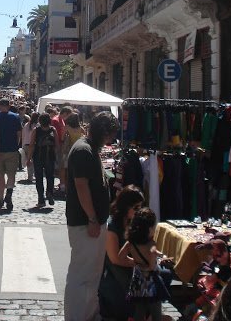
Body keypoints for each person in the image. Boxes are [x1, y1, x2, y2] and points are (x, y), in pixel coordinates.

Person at [64, 110, 119, 321]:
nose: (110, 140)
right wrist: (92, 219)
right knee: (81, 275)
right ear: (101, 132)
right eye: (109, 136)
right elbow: (81, 186)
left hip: (92, 222)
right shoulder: (83, 150)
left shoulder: (90, 149)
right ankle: (77, 316)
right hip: (85, 223)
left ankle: (89, 314)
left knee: (92, 274)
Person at [98, 184, 145, 320]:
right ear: (126, 206)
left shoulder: (133, 222)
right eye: (136, 208)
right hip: (115, 271)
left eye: (140, 207)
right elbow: (115, 259)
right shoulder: (112, 226)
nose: (139, 211)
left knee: (161, 274)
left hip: (129, 266)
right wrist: (139, 263)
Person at [118, 207, 169, 321]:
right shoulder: (151, 244)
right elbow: (151, 265)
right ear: (150, 229)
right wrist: (157, 259)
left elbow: (121, 256)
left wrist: (136, 263)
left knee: (139, 311)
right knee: (156, 312)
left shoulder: (130, 242)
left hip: (137, 282)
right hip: (151, 284)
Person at [0, 97, 22, 210]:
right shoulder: (16, 117)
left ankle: (0, 198)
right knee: (11, 174)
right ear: (9, 106)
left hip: (0, 150)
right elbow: (19, 133)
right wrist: (16, 145)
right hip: (12, 150)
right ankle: (9, 193)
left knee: (0, 175)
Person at [27, 112, 59, 207]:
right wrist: (57, 156)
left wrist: (28, 158)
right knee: (50, 176)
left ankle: (41, 199)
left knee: (39, 178)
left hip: (38, 156)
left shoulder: (36, 130)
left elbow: (32, 145)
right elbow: (57, 145)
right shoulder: (53, 130)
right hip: (50, 156)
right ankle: (49, 193)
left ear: (39, 121)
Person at [52, 106, 73, 194]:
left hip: (61, 146)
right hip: (58, 146)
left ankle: (62, 183)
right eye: (69, 115)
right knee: (60, 167)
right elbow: (56, 135)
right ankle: (62, 185)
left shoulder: (61, 120)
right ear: (65, 113)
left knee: (62, 167)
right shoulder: (56, 120)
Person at [21, 111, 39, 182]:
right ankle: (33, 176)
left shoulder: (26, 125)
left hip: (26, 144)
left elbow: (23, 135)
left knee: (29, 160)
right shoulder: (37, 126)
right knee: (34, 161)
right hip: (34, 144)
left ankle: (30, 176)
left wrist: (23, 144)